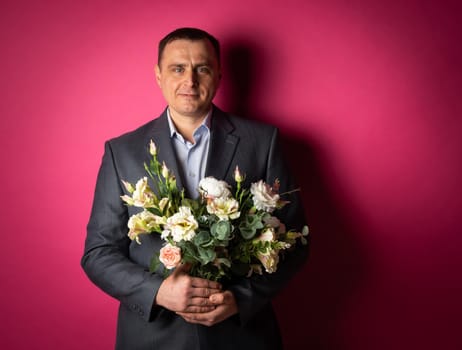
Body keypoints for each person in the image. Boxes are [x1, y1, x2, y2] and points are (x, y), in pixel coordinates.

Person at [81, 27, 308, 350]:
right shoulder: (123, 151)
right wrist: (158, 292)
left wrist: (240, 299)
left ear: (218, 74)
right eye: (177, 68)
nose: (190, 80)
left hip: (241, 336)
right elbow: (98, 252)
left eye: (201, 68)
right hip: (152, 336)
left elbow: (295, 240)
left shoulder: (263, 142)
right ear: (159, 75)